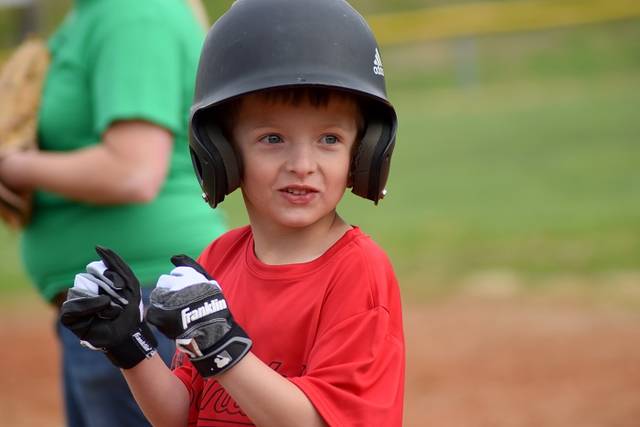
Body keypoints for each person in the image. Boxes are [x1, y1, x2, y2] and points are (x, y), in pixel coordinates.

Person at [58, 0, 404, 425]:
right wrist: (129, 344)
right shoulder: (219, 260)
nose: (302, 163)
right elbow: (180, 415)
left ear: (364, 152)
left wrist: (221, 345)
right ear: (221, 152)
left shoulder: (357, 271)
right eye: (272, 138)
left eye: (329, 139)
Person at [0, 0, 226, 426]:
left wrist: (12, 166)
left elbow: (133, 172)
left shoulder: (131, 11)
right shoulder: (91, 13)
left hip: (140, 303)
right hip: (113, 300)